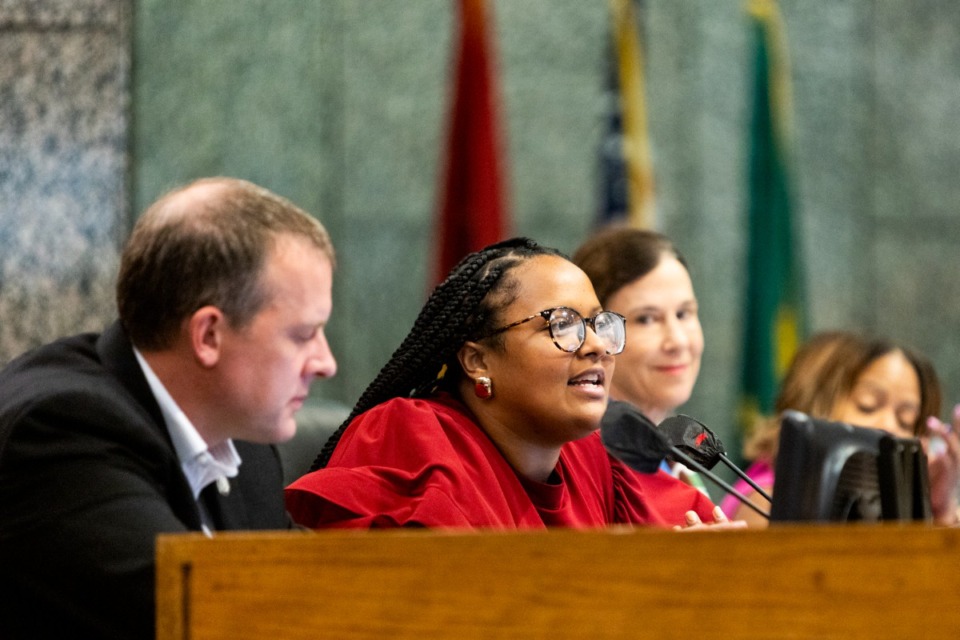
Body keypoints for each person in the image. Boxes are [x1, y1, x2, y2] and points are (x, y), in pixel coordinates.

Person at [0, 177, 338, 638]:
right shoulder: (59, 431)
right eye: (302, 336)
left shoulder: (242, 444)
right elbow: (210, 618)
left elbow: (328, 592)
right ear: (208, 336)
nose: (326, 363)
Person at [286, 238, 731, 531]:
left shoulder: (592, 455)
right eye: (563, 325)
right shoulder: (408, 438)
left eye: (600, 324)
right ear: (477, 359)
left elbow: (691, 537)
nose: (596, 345)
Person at [723, 330, 960, 528]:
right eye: (868, 406)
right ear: (812, 407)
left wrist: (938, 510)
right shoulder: (766, 500)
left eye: (905, 421)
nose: (889, 426)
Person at [572, 225, 708, 493]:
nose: (677, 341)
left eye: (684, 314)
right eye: (646, 319)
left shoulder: (677, 453)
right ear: (594, 332)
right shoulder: (589, 461)